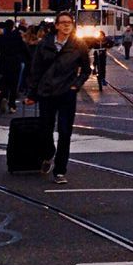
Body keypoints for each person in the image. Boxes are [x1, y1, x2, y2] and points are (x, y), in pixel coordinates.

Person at [24, 11, 91, 186]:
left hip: (67, 93)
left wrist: (76, 85)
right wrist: (32, 94)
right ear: (56, 26)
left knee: (65, 132)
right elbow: (36, 69)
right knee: (45, 129)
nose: (66, 25)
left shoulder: (79, 45)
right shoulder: (44, 44)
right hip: (46, 92)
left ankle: (60, 170)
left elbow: (86, 69)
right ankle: (48, 153)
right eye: (63, 23)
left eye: (69, 22)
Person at [0, 19, 27, 113]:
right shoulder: (17, 36)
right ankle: (12, 104)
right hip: (15, 62)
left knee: (4, 81)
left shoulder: (1, 37)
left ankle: (3, 96)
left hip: (4, 61)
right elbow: (24, 49)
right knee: (14, 83)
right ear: (13, 26)